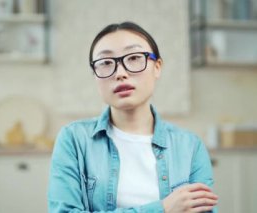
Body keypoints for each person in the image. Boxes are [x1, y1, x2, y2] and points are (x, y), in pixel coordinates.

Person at [48, 22, 218, 213]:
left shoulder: (190, 146)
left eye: (135, 58)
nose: (120, 73)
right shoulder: (74, 139)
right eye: (105, 63)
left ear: (157, 67)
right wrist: (162, 209)